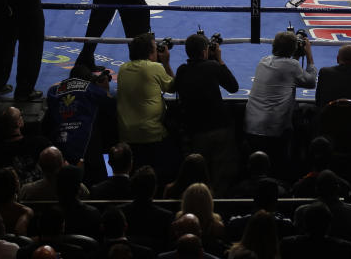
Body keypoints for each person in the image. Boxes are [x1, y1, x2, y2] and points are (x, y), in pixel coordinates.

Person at [173, 31, 240, 192]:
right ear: (205, 51)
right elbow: (233, 87)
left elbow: (176, 87)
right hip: (219, 129)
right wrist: (219, 59)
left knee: (200, 174)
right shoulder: (212, 66)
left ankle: (199, 204)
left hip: (196, 131)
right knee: (221, 175)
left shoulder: (182, 70)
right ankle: (217, 207)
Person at [243, 30, 317, 173]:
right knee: (278, 166)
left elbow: (286, 71)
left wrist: (295, 55)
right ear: (294, 48)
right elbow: (311, 82)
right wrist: (309, 56)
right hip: (273, 130)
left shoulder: (263, 61)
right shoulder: (293, 67)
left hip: (251, 126)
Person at [117, 32, 177, 176]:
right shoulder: (155, 68)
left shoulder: (122, 69)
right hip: (152, 135)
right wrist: (166, 63)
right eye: (156, 49)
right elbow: (173, 87)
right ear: (150, 53)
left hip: (126, 135)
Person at [43, 64, 115, 182]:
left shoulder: (53, 91)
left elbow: (51, 93)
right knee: (109, 135)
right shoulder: (92, 90)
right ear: (88, 79)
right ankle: (110, 178)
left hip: (59, 148)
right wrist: (105, 89)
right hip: (86, 151)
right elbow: (110, 103)